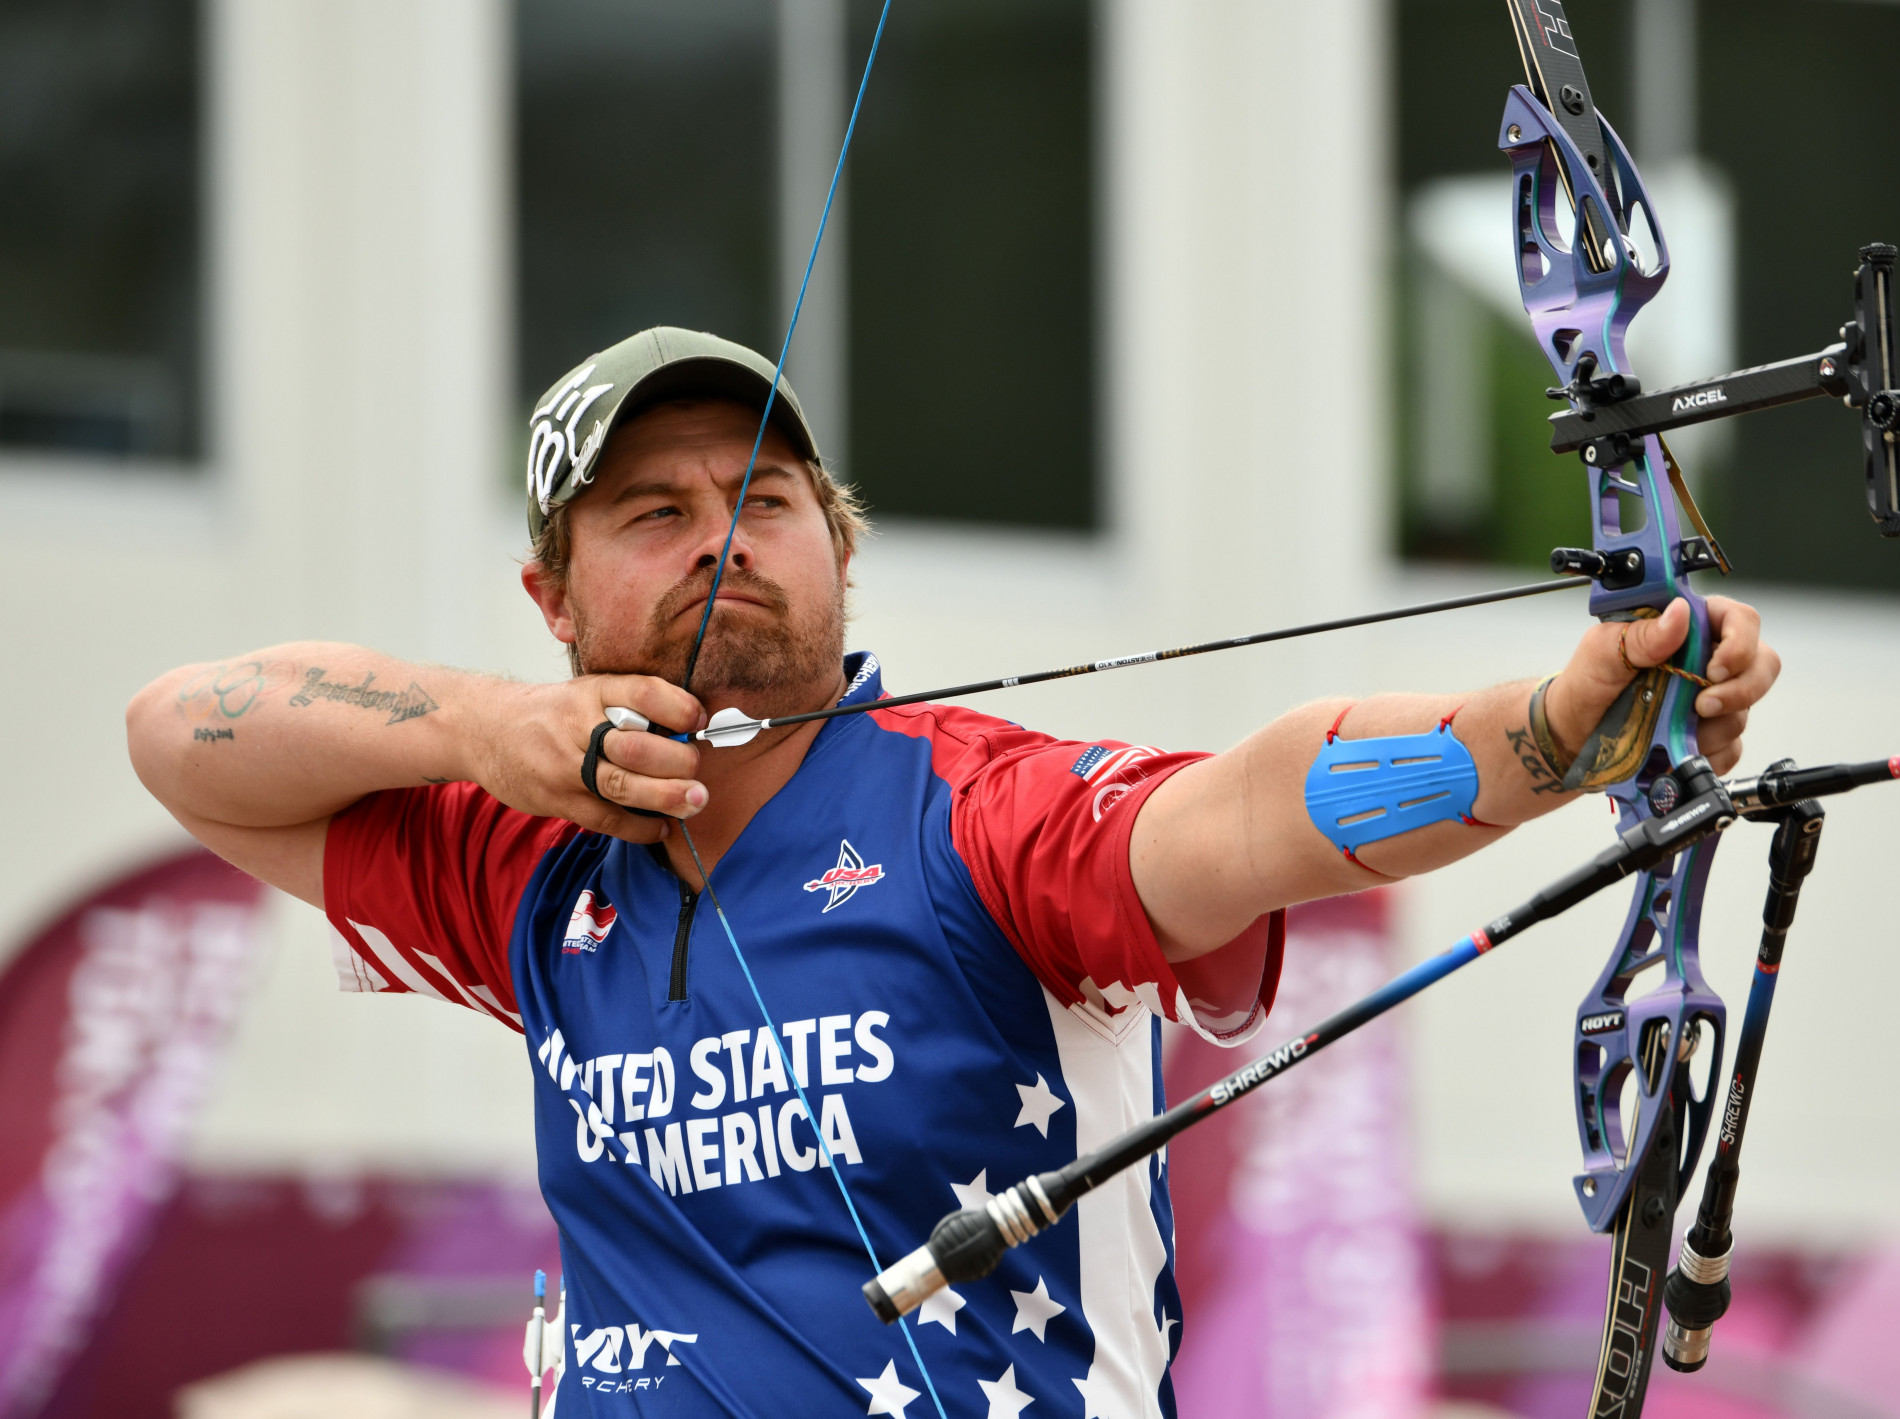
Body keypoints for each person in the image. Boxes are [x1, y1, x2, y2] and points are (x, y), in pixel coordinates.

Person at [128, 327, 1779, 1417]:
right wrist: (483, 726)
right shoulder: (530, 863)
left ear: (836, 548)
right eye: (651, 511)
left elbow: (1254, 811)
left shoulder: (977, 817)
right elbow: (181, 732)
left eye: (762, 498)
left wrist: (1555, 729)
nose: (720, 536)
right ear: (550, 597)